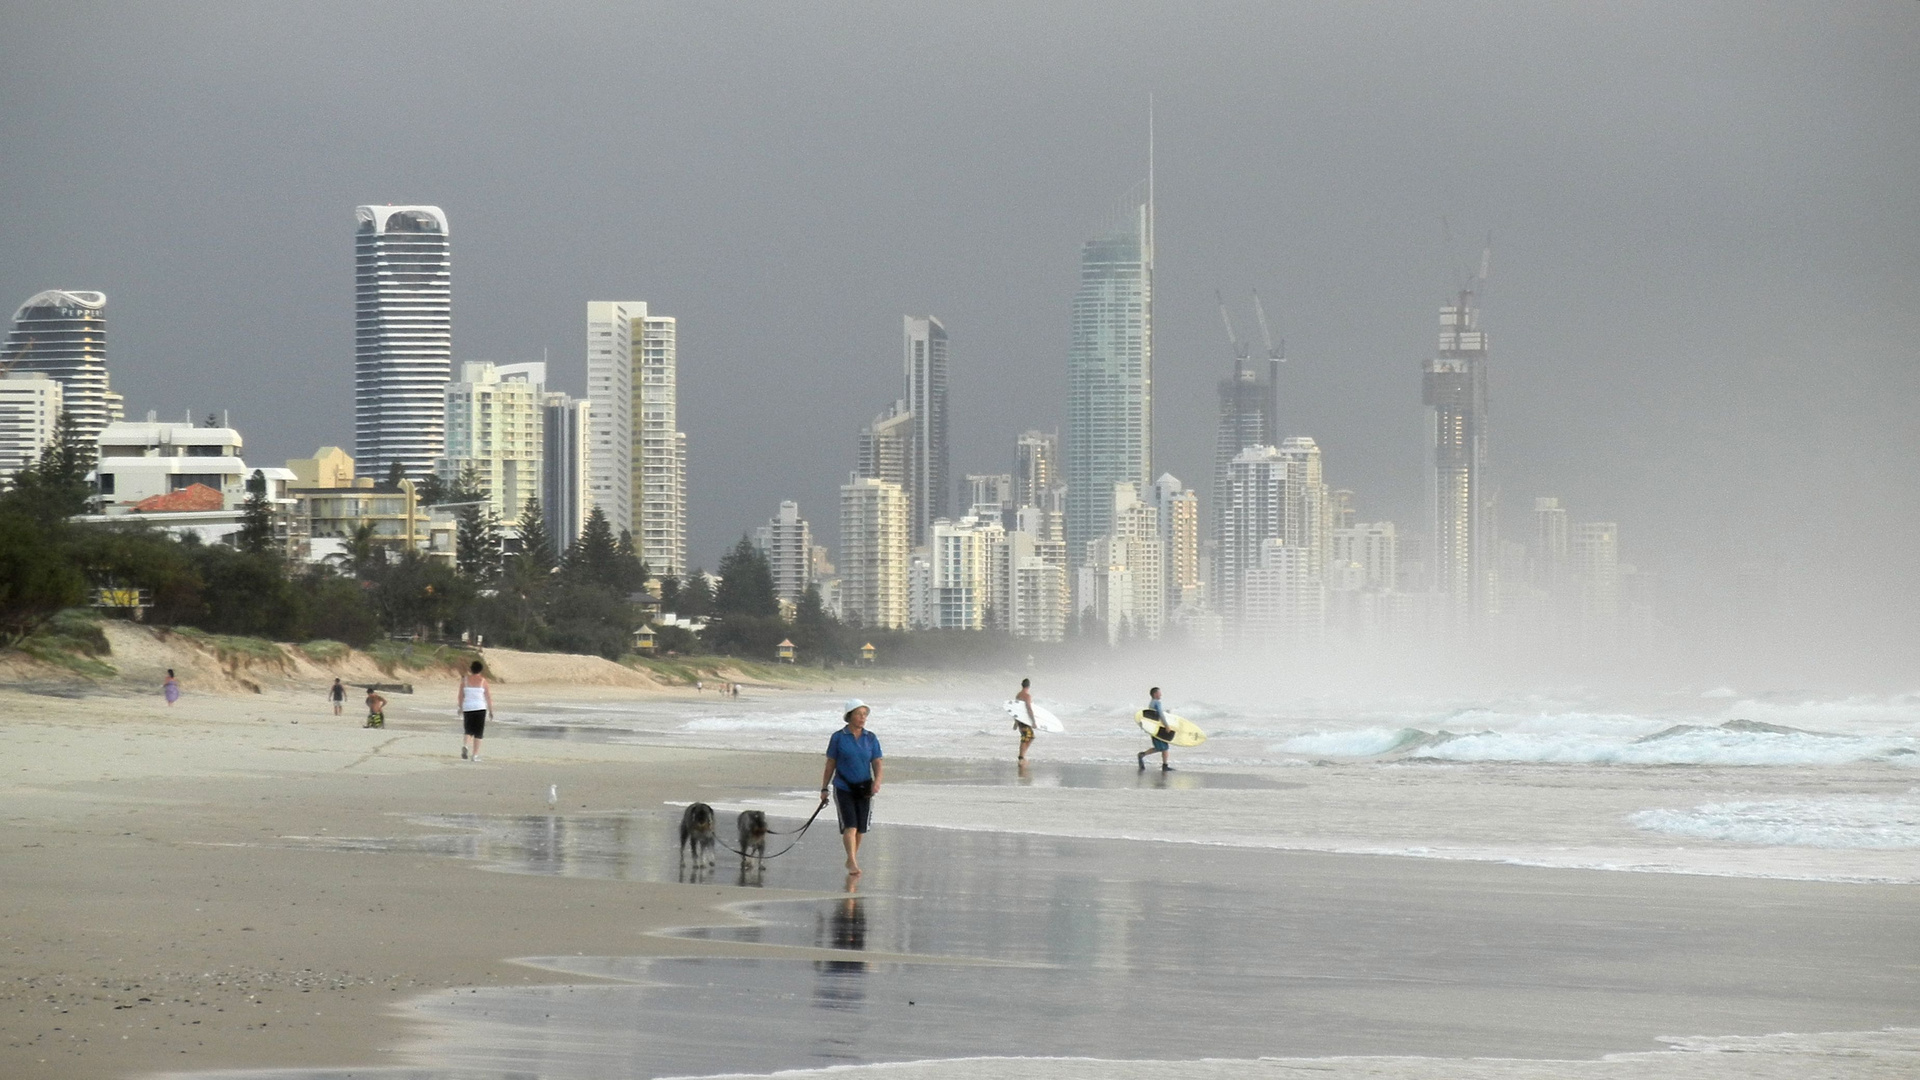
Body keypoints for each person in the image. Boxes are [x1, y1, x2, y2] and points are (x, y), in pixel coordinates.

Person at [819, 698, 883, 875]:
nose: (862, 718)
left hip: (864, 789)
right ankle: (853, 862)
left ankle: (851, 857)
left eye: (865, 714)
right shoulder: (838, 737)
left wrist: (877, 781)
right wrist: (824, 788)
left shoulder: (871, 738)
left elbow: (877, 762)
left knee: (860, 828)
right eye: (859, 714)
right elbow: (830, 763)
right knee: (851, 826)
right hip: (843, 787)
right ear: (849, 716)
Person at [458, 660, 493, 761]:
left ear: (471, 669)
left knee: (468, 730)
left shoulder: (464, 681)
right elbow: (488, 697)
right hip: (480, 708)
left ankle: (465, 745)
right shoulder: (483, 681)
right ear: (480, 670)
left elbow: (460, 696)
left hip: (468, 708)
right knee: (478, 732)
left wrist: (460, 707)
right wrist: (491, 711)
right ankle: (475, 755)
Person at [1138, 685, 1174, 771]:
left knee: (1163, 747)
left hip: (1154, 727)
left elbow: (1156, 714)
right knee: (1163, 748)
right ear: (1155, 694)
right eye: (1159, 692)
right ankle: (1143, 755)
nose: (1161, 694)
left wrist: (1166, 713)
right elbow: (1160, 715)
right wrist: (1166, 725)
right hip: (1157, 728)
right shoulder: (1157, 702)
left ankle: (1164, 765)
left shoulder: (1152, 703)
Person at [1013, 677, 1037, 762]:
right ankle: (1021, 756)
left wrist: (1015, 722)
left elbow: (1015, 709)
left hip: (1020, 719)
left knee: (1029, 736)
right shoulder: (1027, 696)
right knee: (1027, 737)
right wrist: (1033, 721)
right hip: (1024, 720)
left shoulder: (1018, 695)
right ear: (1029, 686)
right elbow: (1029, 709)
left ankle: (1022, 755)